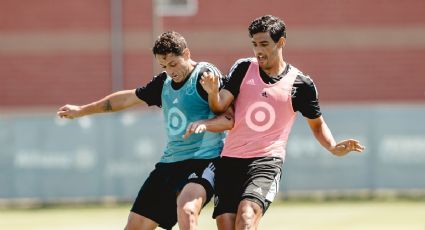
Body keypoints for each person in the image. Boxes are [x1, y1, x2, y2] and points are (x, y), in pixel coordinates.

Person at [199, 15, 365, 230]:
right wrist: (213, 93)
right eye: (254, 44)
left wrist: (333, 146)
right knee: (226, 224)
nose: (258, 50)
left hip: (266, 162)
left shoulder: (300, 84)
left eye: (264, 44)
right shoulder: (243, 68)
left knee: (247, 217)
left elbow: (317, 124)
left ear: (281, 42)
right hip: (230, 159)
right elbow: (220, 106)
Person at [57, 31, 233, 230]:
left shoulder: (205, 76)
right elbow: (125, 99)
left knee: (187, 210)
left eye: (173, 64)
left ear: (186, 54)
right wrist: (81, 110)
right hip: (171, 163)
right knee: (134, 226)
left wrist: (205, 123)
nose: (170, 71)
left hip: (205, 160)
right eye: (164, 66)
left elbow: (229, 118)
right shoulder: (163, 83)